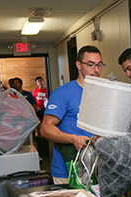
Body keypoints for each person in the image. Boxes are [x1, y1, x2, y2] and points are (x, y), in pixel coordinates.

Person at [41, 45, 105, 184]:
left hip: (98, 169)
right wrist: (73, 139)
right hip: (68, 171)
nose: (96, 70)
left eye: (99, 65)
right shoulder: (63, 94)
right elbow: (46, 128)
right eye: (90, 64)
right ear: (78, 65)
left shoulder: (103, 93)